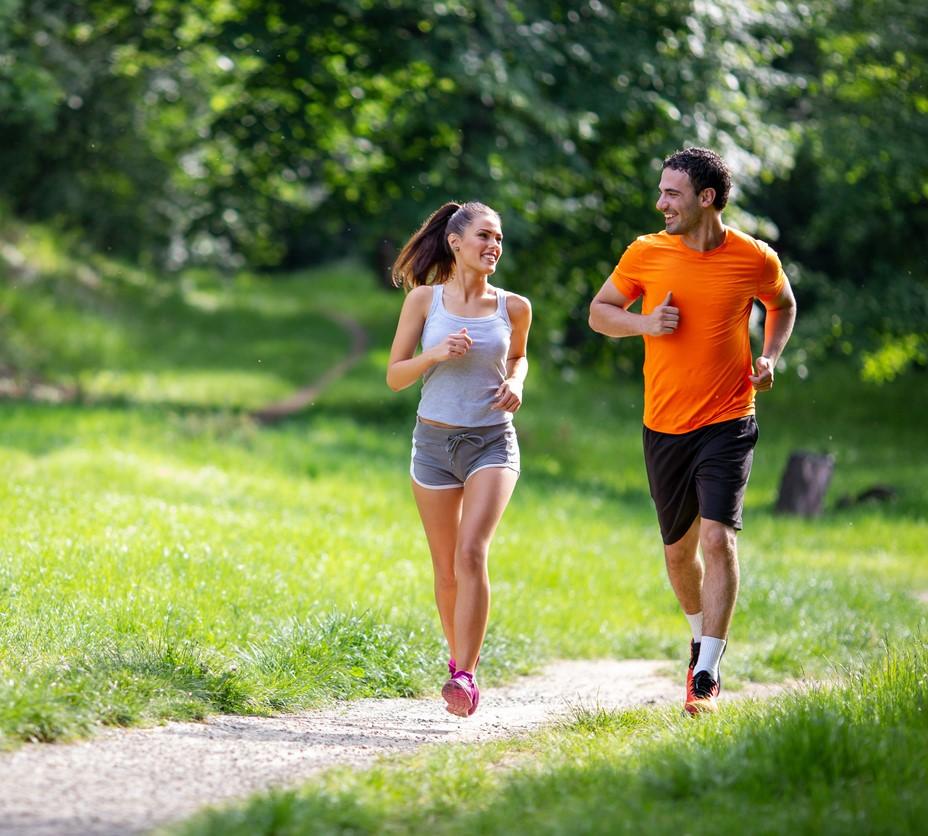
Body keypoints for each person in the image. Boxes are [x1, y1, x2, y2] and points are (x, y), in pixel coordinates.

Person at [588, 147, 796, 714]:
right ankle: (698, 636)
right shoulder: (646, 253)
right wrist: (644, 323)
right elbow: (599, 311)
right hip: (664, 424)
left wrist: (770, 357)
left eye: (671, 193)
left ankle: (708, 665)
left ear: (706, 198)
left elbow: (782, 304)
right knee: (680, 554)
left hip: (730, 417)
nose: (661, 204)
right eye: (661, 192)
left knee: (716, 537)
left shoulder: (753, 258)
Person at [386, 201, 532, 717]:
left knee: (472, 553)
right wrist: (435, 354)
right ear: (455, 241)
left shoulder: (513, 307)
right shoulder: (424, 302)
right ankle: (456, 665)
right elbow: (396, 376)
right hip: (432, 444)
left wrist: (515, 382)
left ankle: (467, 676)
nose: (494, 246)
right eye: (485, 237)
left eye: (499, 239)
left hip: (491, 441)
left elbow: (518, 355)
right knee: (445, 570)